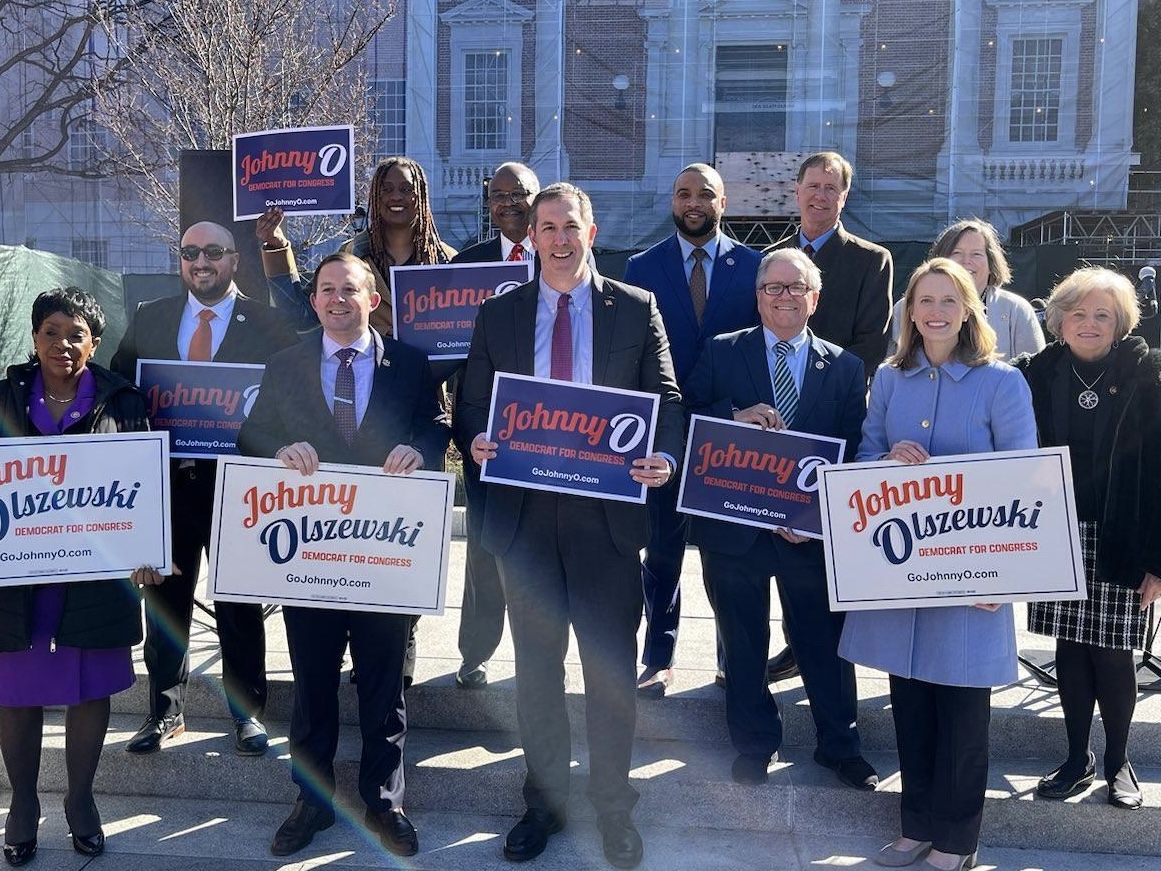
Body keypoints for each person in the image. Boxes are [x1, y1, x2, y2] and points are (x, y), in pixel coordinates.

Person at [462, 183, 683, 869]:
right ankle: (545, 800)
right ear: (532, 235)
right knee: (535, 672)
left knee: (609, 671)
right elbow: (472, 402)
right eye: (546, 226)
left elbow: (668, 396)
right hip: (525, 522)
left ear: (591, 232)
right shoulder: (499, 313)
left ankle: (612, 804)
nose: (558, 238)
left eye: (570, 226)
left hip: (606, 520)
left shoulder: (635, 308)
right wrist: (476, 440)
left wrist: (665, 454)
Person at [237, 252, 450, 858]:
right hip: (312, 556)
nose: (337, 299)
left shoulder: (409, 364)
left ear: (372, 299)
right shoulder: (284, 365)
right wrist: (281, 447)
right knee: (312, 683)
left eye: (349, 289)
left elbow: (439, 429)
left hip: (382, 556)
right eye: (326, 289)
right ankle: (312, 800)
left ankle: (385, 800)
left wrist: (418, 448)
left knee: (385, 682)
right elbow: (249, 436)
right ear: (314, 301)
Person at [838, 258, 1037, 871]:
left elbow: (1023, 481)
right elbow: (866, 454)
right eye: (924, 301)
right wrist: (887, 458)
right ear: (908, 311)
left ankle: (957, 841)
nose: (935, 312)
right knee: (912, 712)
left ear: (971, 308)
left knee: (962, 721)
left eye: (949, 301)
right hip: (906, 582)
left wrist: (1006, 580)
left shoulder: (1001, 382)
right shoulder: (891, 379)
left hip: (973, 585)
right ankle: (915, 827)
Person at [683, 248, 877, 790]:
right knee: (743, 643)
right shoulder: (722, 352)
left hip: (808, 535)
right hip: (735, 531)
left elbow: (854, 448)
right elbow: (685, 415)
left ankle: (839, 745)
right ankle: (754, 744)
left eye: (796, 288)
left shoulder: (844, 367)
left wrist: (818, 518)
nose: (784, 296)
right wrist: (732, 417)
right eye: (774, 287)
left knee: (825, 643)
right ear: (758, 296)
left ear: (815, 299)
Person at [111, 221, 300, 756]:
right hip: (167, 484)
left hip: (238, 483)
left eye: (213, 252)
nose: (201, 262)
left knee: (239, 600)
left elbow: (291, 394)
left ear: (234, 260)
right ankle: (164, 712)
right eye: (190, 252)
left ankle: (248, 715)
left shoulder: (264, 322)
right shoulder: (152, 317)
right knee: (165, 601)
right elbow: (122, 387)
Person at [0, 288, 164, 865]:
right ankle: (22, 805)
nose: (62, 345)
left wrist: (148, 551)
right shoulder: (3, 396)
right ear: (34, 336)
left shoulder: (125, 401)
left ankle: (81, 800)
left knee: (88, 689)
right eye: (51, 331)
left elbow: (144, 488)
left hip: (96, 578)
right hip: (17, 579)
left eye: (76, 335)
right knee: (14, 692)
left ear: (95, 343)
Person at [1012, 267, 1161, 811]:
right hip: (1052, 532)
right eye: (1078, 312)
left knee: (1114, 654)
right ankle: (1078, 759)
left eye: (1103, 314)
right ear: (1058, 320)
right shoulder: (1035, 373)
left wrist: (1158, 560)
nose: (1089, 323)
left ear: (1121, 321)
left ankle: (1120, 760)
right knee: (1070, 651)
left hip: (1122, 534)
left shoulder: (1149, 375)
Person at [622, 163, 761, 696]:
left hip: (730, 429)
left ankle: (731, 659)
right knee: (661, 553)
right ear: (672, 201)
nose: (694, 202)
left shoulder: (754, 267)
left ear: (723, 202)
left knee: (729, 558)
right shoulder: (641, 267)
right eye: (684, 193)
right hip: (665, 432)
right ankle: (659, 657)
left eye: (706, 194)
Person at [767, 150, 893, 682]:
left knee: (827, 542)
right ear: (796, 191)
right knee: (781, 537)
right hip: (775, 416)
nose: (820, 195)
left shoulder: (870, 259)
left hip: (833, 414)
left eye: (831, 187)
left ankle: (834, 646)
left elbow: (872, 341)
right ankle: (796, 643)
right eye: (812, 185)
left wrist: (817, 386)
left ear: (845, 196)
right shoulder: (770, 257)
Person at [447, 161, 540, 690]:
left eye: (518, 193)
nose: (507, 202)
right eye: (497, 195)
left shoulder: (560, 258)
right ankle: (474, 653)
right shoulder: (468, 265)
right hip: (490, 432)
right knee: (484, 548)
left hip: (554, 430)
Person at [257, 155, 457, 336]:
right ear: (375, 198)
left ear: (420, 196)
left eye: (406, 189)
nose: (396, 196)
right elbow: (301, 315)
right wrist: (277, 247)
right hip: (363, 370)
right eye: (386, 189)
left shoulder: (448, 260)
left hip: (428, 374)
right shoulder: (350, 255)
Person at [889, 219, 1044, 360]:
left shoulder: (1016, 310)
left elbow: (1035, 374)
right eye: (956, 253)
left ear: (991, 264)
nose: (966, 261)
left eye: (976, 254)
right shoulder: (904, 308)